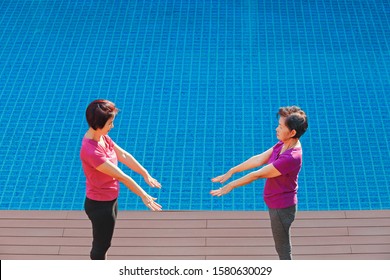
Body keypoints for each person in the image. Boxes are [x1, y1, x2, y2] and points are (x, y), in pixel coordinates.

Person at [210, 106, 308, 260]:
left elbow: (257, 174)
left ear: (293, 132)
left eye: (281, 127)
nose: (277, 129)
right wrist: (232, 171)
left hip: (281, 208)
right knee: (281, 246)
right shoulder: (284, 143)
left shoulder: (291, 157)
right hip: (275, 202)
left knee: (282, 249)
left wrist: (230, 185)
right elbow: (259, 159)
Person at [80, 99, 162, 260]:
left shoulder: (101, 137)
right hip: (99, 206)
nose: (113, 126)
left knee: (104, 242)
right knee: (101, 246)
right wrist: (143, 196)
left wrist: (145, 173)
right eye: (110, 123)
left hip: (110, 200)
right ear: (98, 124)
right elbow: (121, 176)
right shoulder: (91, 151)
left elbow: (123, 155)